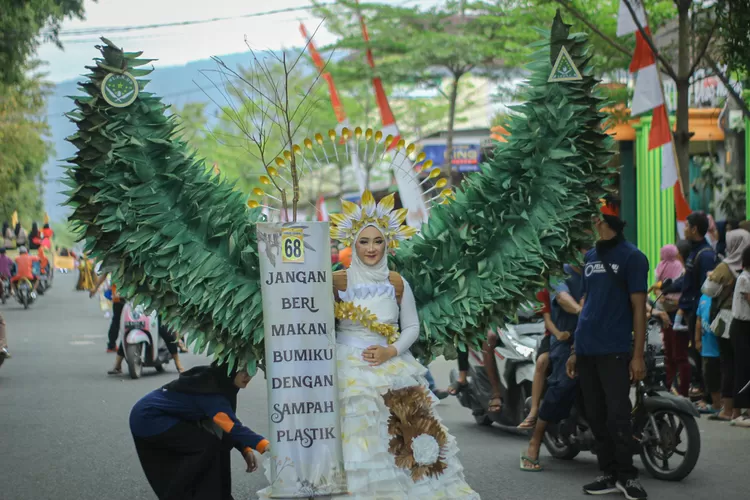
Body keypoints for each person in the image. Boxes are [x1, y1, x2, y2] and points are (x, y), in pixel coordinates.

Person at [259, 192, 480, 499]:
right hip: (345, 368)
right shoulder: (335, 281)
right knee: (352, 439)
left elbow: (412, 326)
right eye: (364, 241)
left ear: (387, 243)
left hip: (393, 367)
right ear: (353, 244)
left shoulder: (397, 282)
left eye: (378, 241)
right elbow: (304, 315)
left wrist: (392, 350)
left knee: (408, 439)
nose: (371, 248)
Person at [566, 197, 649, 500]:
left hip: (614, 349)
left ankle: (628, 477)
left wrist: (637, 355)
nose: (590, 225)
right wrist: (576, 348)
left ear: (602, 221)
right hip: (587, 349)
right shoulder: (589, 258)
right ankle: (608, 472)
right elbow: (587, 306)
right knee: (596, 415)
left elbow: (639, 308)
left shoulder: (633, 257)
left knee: (618, 416)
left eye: (593, 219)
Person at [130, 363, 268, 499]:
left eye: (252, 370)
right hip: (149, 418)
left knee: (219, 442)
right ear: (230, 368)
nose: (247, 376)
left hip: (158, 414)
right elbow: (232, 426)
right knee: (206, 445)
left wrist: (245, 449)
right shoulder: (211, 391)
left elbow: (227, 423)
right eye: (243, 370)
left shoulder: (220, 380)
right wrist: (266, 445)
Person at [521, 263, 584, 471]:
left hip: (597, 336)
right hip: (564, 340)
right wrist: (580, 311)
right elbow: (562, 300)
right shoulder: (558, 275)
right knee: (562, 385)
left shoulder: (598, 266)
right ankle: (535, 440)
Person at [701, 229, 750, 421]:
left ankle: (728, 409)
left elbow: (707, 290)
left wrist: (712, 277)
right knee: (740, 366)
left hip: (727, 321)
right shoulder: (745, 271)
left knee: (729, 364)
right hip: (742, 321)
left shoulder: (724, 267)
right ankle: (737, 410)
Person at [678, 211, 717, 399]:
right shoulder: (693, 251)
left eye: (686, 225)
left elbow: (706, 290)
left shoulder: (706, 255)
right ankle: (701, 389)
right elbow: (687, 280)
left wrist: (697, 315)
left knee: (702, 353)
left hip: (698, 314)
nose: (684, 229)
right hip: (690, 313)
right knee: (694, 352)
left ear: (694, 229)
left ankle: (707, 394)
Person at [518, 284, 565, 429]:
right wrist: (558, 335)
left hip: (581, 334)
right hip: (554, 335)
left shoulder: (584, 281)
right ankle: (534, 410)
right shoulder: (546, 289)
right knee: (541, 361)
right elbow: (548, 320)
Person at [652, 244, 689, 396]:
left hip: (665, 311)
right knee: (680, 355)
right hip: (679, 311)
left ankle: (667, 388)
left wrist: (662, 295)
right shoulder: (681, 268)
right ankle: (683, 392)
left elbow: (656, 289)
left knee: (670, 354)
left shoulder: (659, 267)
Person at [108, 306, 186, 374]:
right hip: (139, 311)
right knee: (128, 333)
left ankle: (177, 362)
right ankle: (117, 364)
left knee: (166, 333)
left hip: (157, 311)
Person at [727, 246, 750, 427]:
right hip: (741, 327)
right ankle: (736, 412)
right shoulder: (744, 278)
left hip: (747, 326)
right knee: (741, 368)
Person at [695, 293, 721, 413]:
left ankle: (720, 405)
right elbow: (699, 319)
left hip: (720, 346)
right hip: (707, 347)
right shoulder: (703, 297)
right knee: (709, 376)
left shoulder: (722, 296)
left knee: (721, 377)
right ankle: (716, 404)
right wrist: (697, 340)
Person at [90, 271, 124, 353]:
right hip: (125, 295)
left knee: (116, 319)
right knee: (118, 319)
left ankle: (112, 345)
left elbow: (104, 274)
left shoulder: (113, 259)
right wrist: (95, 288)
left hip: (119, 294)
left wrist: (95, 288)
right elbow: (104, 274)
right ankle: (113, 345)